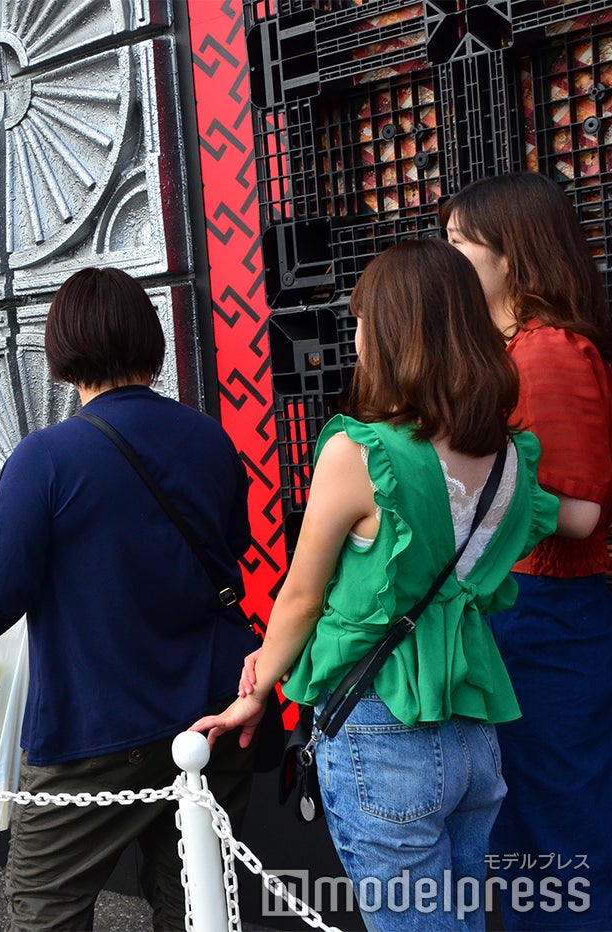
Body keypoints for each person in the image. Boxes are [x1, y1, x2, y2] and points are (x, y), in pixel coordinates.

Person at [195, 239, 558, 931]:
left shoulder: (360, 453)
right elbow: (560, 519)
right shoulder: (512, 459)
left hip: (381, 733)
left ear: (391, 333)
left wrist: (256, 690)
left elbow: (301, 596)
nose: (355, 336)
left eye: (361, 320)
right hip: (474, 731)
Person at [0, 267, 257, 931]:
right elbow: (233, 547)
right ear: (148, 339)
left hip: (94, 718)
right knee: (197, 905)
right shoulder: (208, 437)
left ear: (63, 346)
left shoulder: (45, 458)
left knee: (47, 907)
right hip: (211, 705)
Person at [443, 173, 612, 930]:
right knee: (525, 833)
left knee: (559, 837)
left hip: (553, 615)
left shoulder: (548, 354)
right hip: (530, 614)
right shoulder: (519, 350)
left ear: (509, 255)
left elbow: (579, 513)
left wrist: (461, 488)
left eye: (457, 245)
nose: (446, 263)